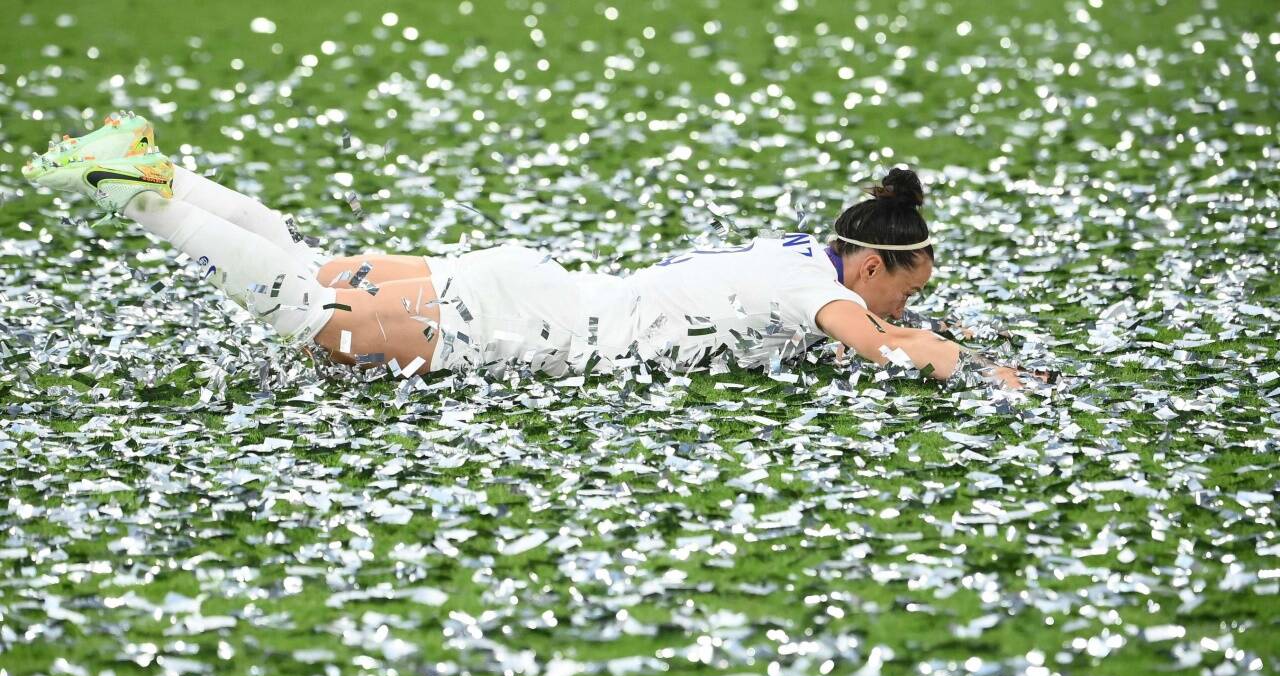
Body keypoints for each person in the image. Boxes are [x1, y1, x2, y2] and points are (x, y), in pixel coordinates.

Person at [23, 112, 1028, 388]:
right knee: (312, 322)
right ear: (867, 265)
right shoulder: (816, 291)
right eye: (905, 291)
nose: (898, 308)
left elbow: (884, 324)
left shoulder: (800, 257)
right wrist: (982, 369)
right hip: (536, 325)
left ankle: (166, 172)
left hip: (537, 287)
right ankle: (143, 193)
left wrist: (950, 325)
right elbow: (871, 342)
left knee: (322, 269)